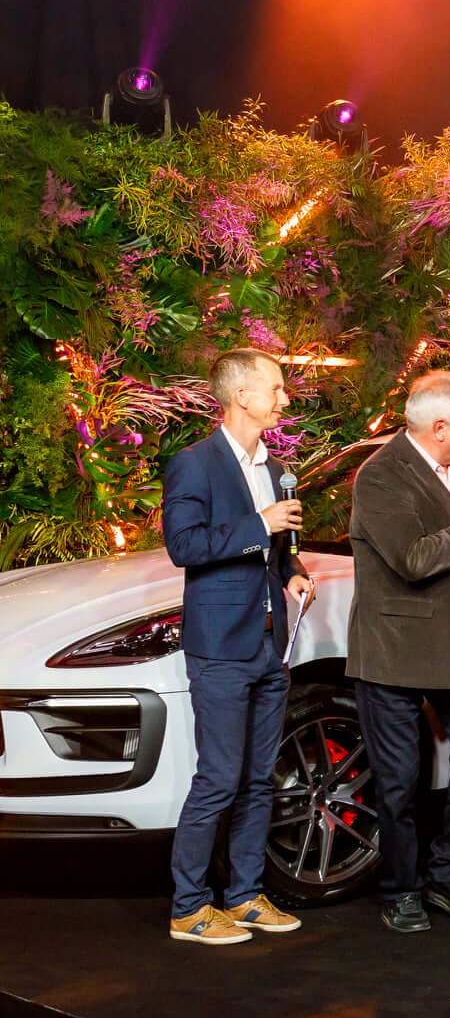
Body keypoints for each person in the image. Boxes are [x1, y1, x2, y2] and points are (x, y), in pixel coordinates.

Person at [161, 349, 314, 945]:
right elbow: (184, 546)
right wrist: (260, 525)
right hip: (221, 647)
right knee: (219, 779)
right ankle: (189, 908)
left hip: (269, 644)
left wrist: (293, 570)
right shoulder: (194, 464)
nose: (284, 398)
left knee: (258, 779)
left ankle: (245, 896)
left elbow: (278, 549)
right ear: (242, 396)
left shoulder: (276, 469)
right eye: (276, 388)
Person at [347, 369, 450, 933]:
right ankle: (401, 888)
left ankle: (447, 872)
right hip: (396, 652)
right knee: (399, 782)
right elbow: (412, 559)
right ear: (440, 427)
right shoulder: (381, 475)